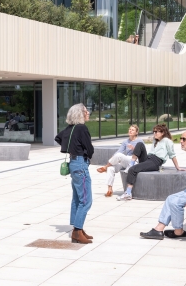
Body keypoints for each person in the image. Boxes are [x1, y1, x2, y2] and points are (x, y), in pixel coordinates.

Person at [55, 103, 94, 244]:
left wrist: (71, 148)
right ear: (80, 114)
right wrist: (86, 153)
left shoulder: (70, 128)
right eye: (86, 111)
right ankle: (77, 231)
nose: (88, 112)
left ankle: (78, 229)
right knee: (86, 200)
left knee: (77, 198)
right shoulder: (82, 128)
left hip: (73, 163)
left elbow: (58, 138)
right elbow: (89, 148)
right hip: (80, 164)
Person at [117, 123, 181, 200]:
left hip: (156, 161)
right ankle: (131, 163)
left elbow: (172, 155)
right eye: (154, 131)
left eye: (156, 132)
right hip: (148, 158)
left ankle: (128, 193)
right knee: (140, 144)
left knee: (133, 169)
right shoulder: (155, 140)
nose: (154, 133)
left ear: (162, 133)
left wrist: (178, 167)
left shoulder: (167, 141)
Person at [96, 124, 146, 197]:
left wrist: (134, 149)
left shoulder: (140, 141)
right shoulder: (125, 141)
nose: (130, 131)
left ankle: (105, 167)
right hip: (126, 160)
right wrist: (113, 156)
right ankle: (109, 190)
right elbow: (119, 151)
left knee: (119, 156)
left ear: (136, 132)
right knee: (111, 168)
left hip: (134, 161)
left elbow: (143, 153)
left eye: (132, 130)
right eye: (130, 129)